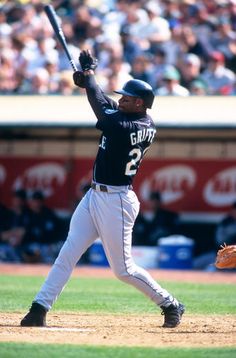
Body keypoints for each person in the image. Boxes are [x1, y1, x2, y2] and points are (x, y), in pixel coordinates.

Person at [20, 50, 184, 328]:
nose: (121, 100)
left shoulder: (132, 125)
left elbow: (103, 110)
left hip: (117, 201)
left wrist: (91, 78)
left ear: (140, 104)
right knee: (68, 253)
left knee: (123, 269)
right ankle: (39, 308)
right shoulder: (130, 117)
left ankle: (170, 303)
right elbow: (106, 104)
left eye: (127, 98)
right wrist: (88, 83)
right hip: (95, 195)